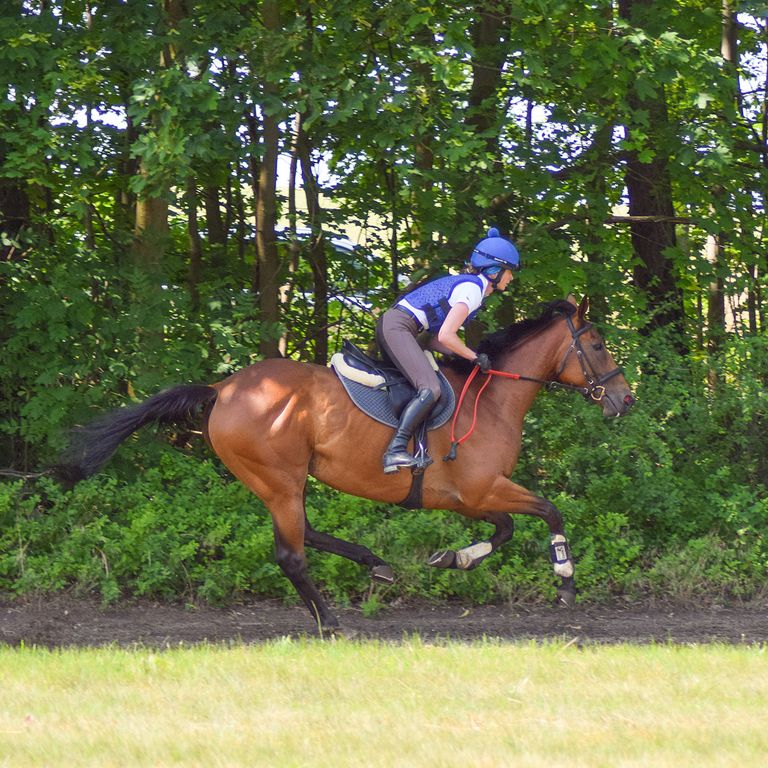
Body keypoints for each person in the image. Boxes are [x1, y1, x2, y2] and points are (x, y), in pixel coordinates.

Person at [376, 227, 521, 474]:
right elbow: (446, 335)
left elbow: (436, 341)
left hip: (403, 328)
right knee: (430, 389)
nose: (511, 278)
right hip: (399, 327)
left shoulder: (471, 287)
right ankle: (395, 450)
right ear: (494, 272)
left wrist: (467, 358)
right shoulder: (473, 290)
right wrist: (474, 356)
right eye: (509, 272)